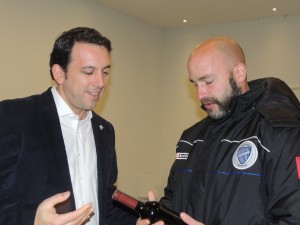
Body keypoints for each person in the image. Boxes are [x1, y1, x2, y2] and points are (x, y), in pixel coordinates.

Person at [138, 37, 300, 225]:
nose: (200, 94)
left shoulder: (280, 134)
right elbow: (174, 204)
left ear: (239, 73)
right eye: (195, 84)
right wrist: (160, 219)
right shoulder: (191, 139)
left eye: (208, 81)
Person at [0, 27, 138, 225]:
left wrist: (136, 220)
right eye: (89, 71)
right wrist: (33, 219)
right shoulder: (15, 117)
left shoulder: (105, 130)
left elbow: (104, 201)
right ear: (59, 73)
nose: (100, 82)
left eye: (105, 72)